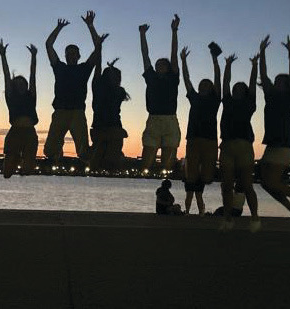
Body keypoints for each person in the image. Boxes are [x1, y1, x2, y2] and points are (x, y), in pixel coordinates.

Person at [257, 34, 290, 227]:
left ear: (287, 85)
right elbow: (263, 76)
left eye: (281, 81)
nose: (277, 82)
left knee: (272, 181)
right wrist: (262, 52)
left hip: (285, 142)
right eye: (277, 80)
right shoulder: (270, 96)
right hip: (271, 142)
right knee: (265, 182)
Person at [43, 11, 103, 163]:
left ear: (78, 56)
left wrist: (90, 25)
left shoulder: (84, 69)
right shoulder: (59, 67)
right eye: (68, 53)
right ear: (65, 56)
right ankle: (58, 151)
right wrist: (58, 28)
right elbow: (48, 45)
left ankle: (101, 154)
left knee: (84, 153)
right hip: (60, 111)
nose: (71, 55)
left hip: (77, 112)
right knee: (48, 151)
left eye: (74, 53)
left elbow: (98, 48)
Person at [218, 52, 261, 232]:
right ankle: (228, 219)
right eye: (235, 89)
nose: (237, 91)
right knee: (226, 185)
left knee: (246, 185)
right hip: (227, 145)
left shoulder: (249, 103)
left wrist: (254, 66)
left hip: (244, 146)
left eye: (240, 90)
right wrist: (227, 65)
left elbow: (252, 86)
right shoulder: (227, 101)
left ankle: (255, 218)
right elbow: (225, 83)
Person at [179, 42, 222, 215]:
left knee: (207, 177)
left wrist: (215, 60)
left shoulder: (215, 99)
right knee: (191, 176)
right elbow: (187, 80)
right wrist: (183, 62)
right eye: (201, 84)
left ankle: (200, 207)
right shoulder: (194, 98)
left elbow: (218, 78)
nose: (203, 86)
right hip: (194, 139)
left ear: (211, 88)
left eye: (207, 85)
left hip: (210, 140)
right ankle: (191, 211)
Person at [139, 14, 181, 172]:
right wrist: (142, 35)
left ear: (168, 67)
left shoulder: (172, 77)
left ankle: (165, 184)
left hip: (170, 119)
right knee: (147, 160)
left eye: (162, 64)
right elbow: (145, 55)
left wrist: (174, 31)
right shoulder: (151, 77)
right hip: (154, 119)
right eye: (157, 65)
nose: (159, 66)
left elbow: (174, 54)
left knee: (167, 162)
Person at [0, 39, 40, 178]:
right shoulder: (11, 97)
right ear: (14, 86)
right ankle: (14, 158)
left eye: (23, 83)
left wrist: (34, 56)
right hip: (15, 132)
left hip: (29, 132)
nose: (21, 85)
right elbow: (6, 75)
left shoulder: (31, 95)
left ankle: (21, 160)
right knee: (7, 174)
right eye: (18, 84)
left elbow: (33, 75)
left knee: (28, 170)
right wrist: (3, 55)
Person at [90, 34, 131, 171]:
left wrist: (99, 46)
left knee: (107, 161)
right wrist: (99, 46)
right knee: (98, 163)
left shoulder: (118, 91)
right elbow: (97, 67)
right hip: (103, 127)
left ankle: (116, 159)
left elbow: (99, 69)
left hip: (111, 127)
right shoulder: (100, 86)